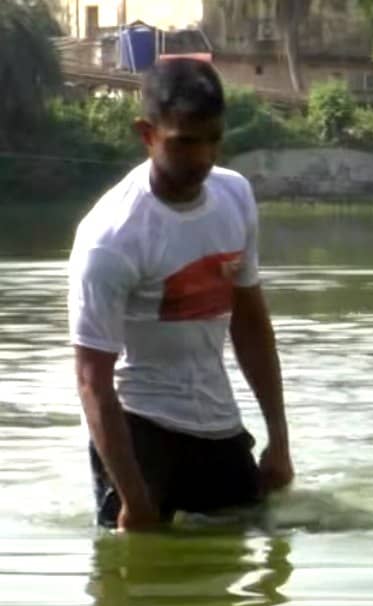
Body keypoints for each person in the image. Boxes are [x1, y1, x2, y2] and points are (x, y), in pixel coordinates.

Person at [68, 58, 293, 531]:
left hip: (218, 425)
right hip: (141, 434)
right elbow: (92, 381)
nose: (204, 158)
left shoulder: (234, 197)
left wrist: (279, 439)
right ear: (146, 134)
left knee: (239, 583)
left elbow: (249, 321)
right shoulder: (112, 237)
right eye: (184, 143)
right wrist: (134, 497)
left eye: (213, 139)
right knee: (141, 586)